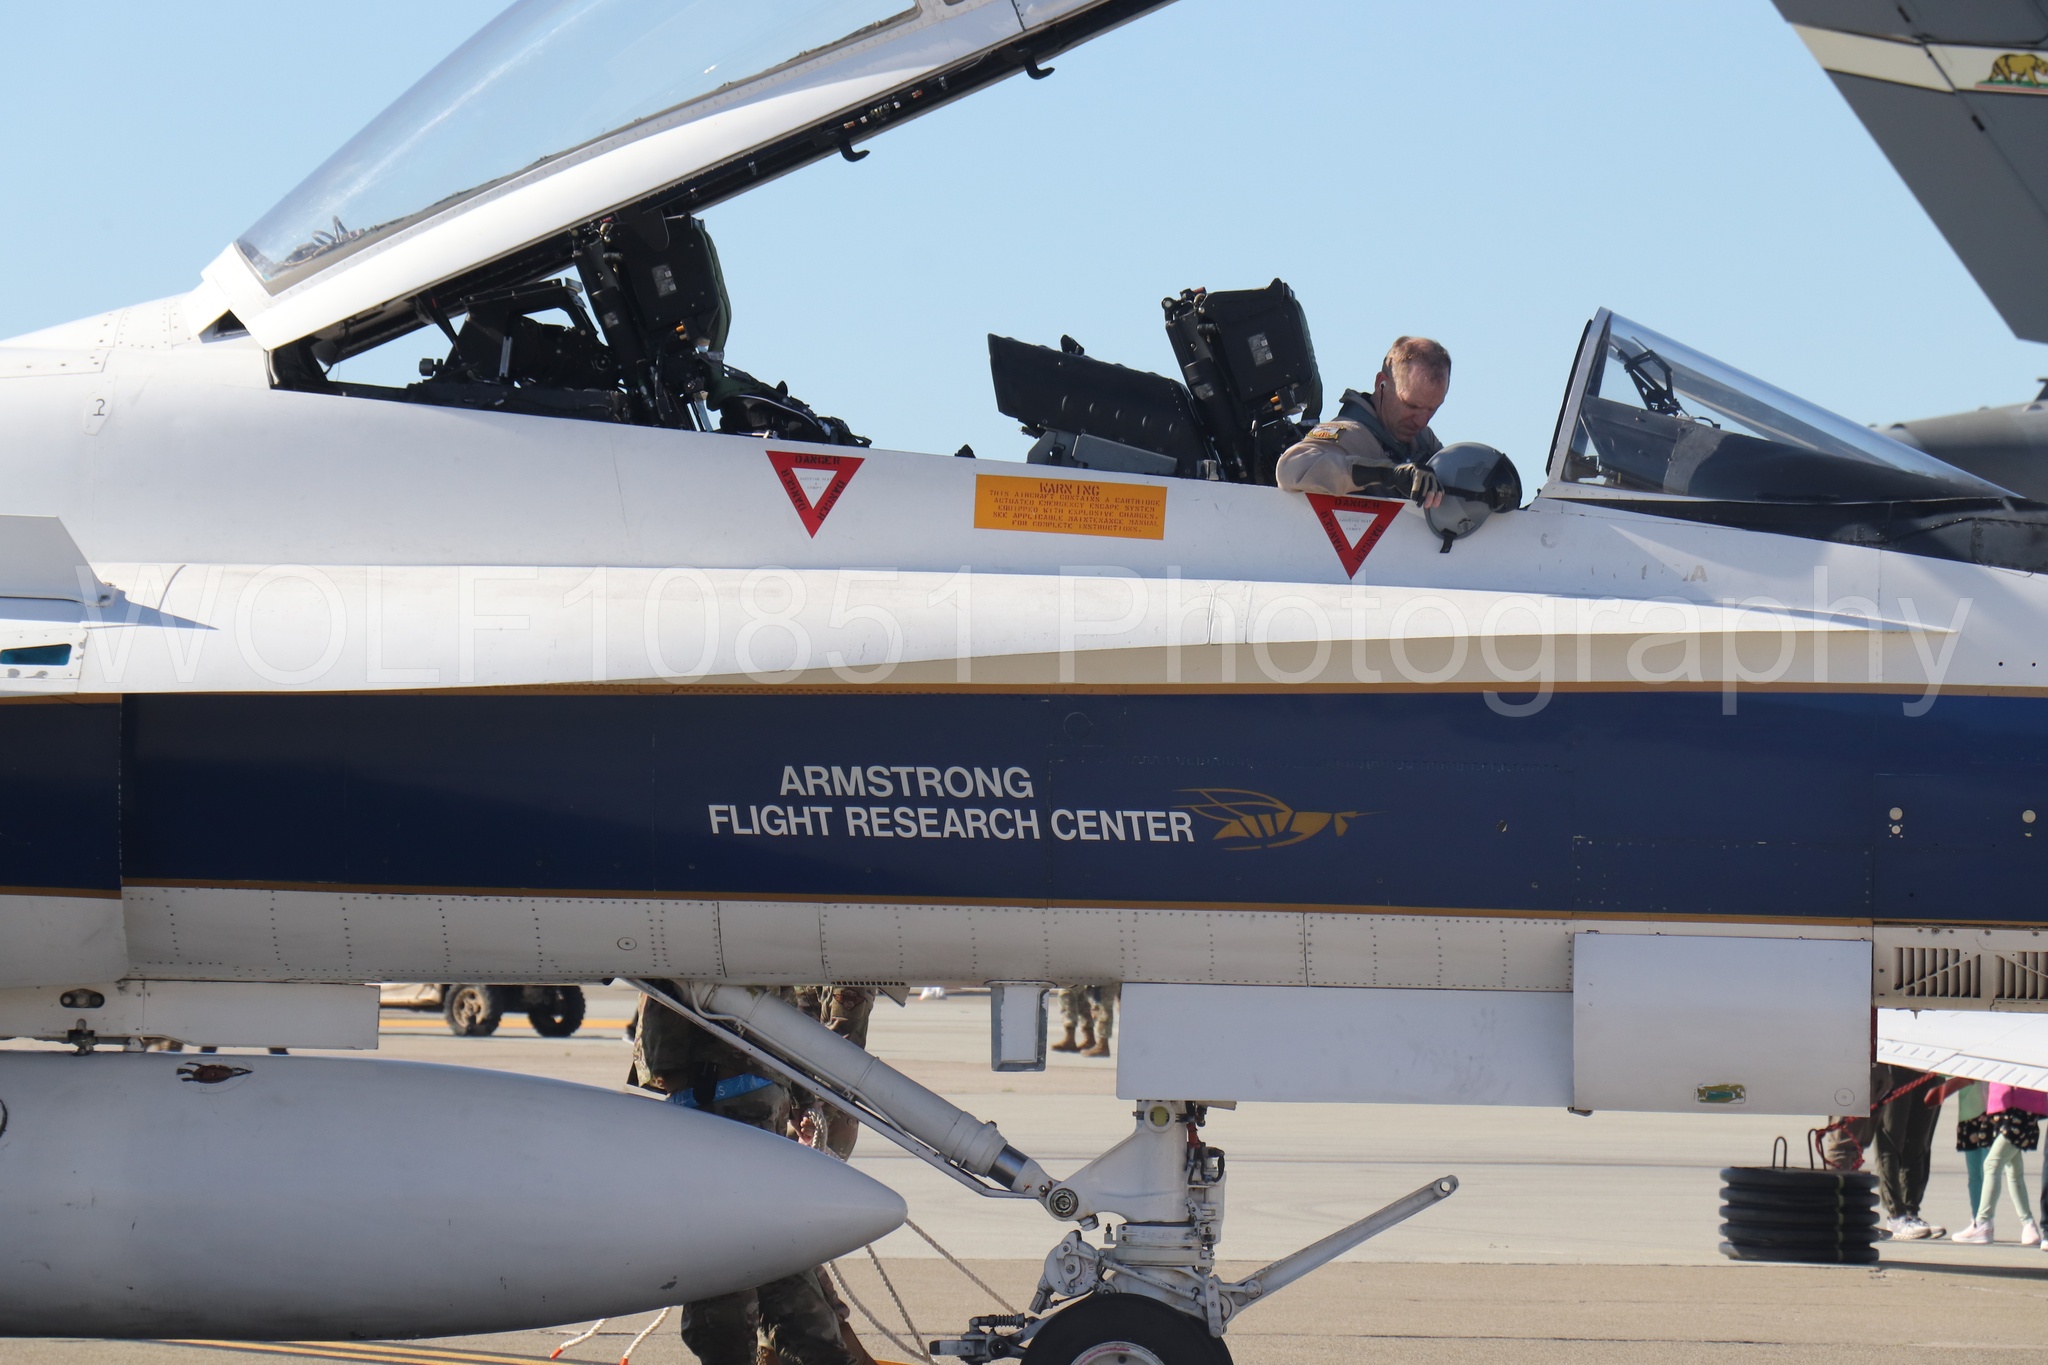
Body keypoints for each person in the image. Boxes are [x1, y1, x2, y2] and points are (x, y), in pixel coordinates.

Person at [629, 987, 854, 1365]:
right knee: (768, 1245)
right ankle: (822, 1355)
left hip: (719, 1092)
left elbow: (666, 993)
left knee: (726, 1252)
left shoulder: (695, 934)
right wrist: (802, 1095)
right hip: (756, 1086)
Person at [1276, 336, 1451, 506]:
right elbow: (1290, 469)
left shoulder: (1423, 440)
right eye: (1411, 405)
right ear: (1382, 384)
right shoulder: (1349, 435)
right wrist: (1386, 474)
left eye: (1432, 408)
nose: (1421, 421)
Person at [1951, 1081, 2045, 1244]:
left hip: (2018, 1110)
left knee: (1992, 1164)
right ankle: (2028, 1225)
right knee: (2013, 1169)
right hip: (2005, 1109)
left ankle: (1983, 1222)